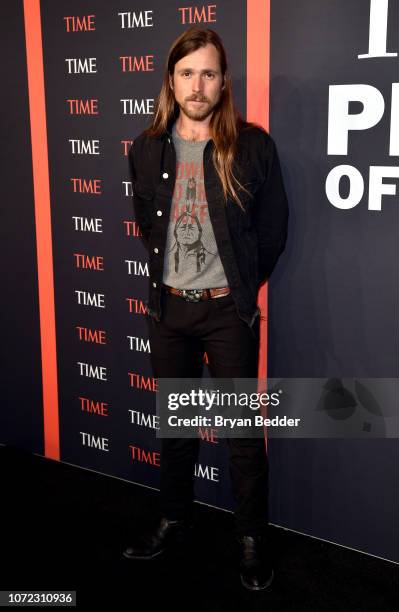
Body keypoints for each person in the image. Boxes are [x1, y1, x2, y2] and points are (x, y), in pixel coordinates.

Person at [123, 26, 289, 591]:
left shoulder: (252, 145)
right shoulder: (145, 149)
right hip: (169, 312)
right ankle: (174, 517)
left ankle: (250, 537)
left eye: (209, 73)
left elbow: (272, 232)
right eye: (188, 72)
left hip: (227, 315)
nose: (198, 84)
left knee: (242, 433)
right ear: (172, 80)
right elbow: (148, 226)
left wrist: (238, 288)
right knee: (176, 428)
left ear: (224, 83)